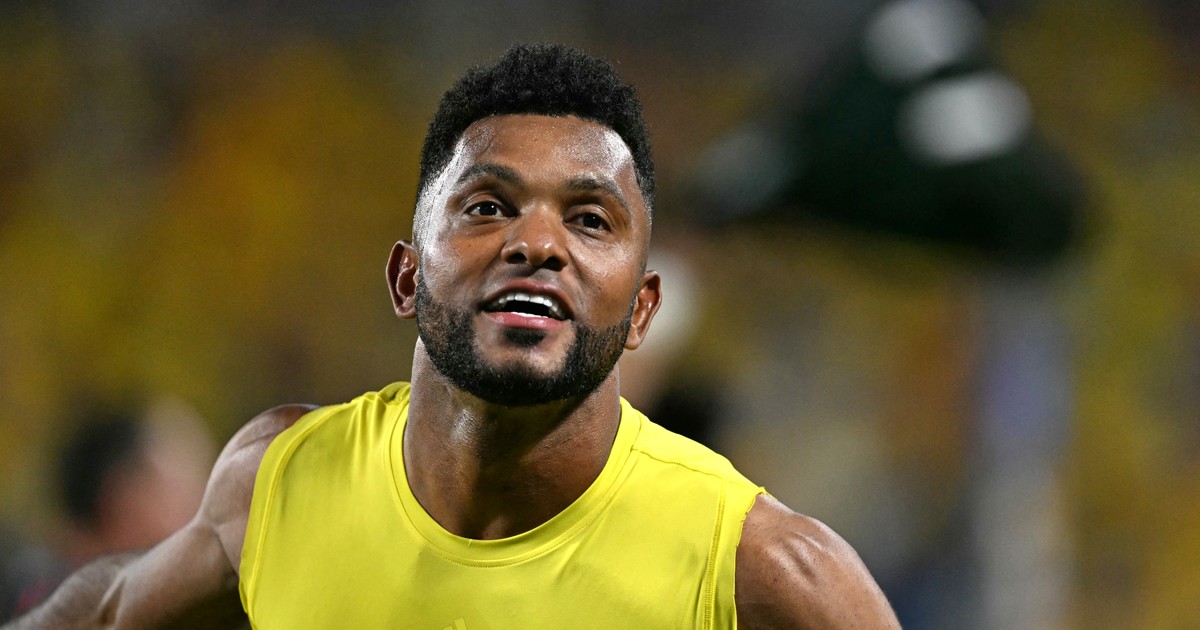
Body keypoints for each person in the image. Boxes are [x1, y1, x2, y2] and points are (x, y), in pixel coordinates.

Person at [6, 43, 899, 629]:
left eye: (590, 219)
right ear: (406, 278)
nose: (537, 243)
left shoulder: (763, 571)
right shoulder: (278, 485)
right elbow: (109, 608)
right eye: (487, 206)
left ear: (643, 312)